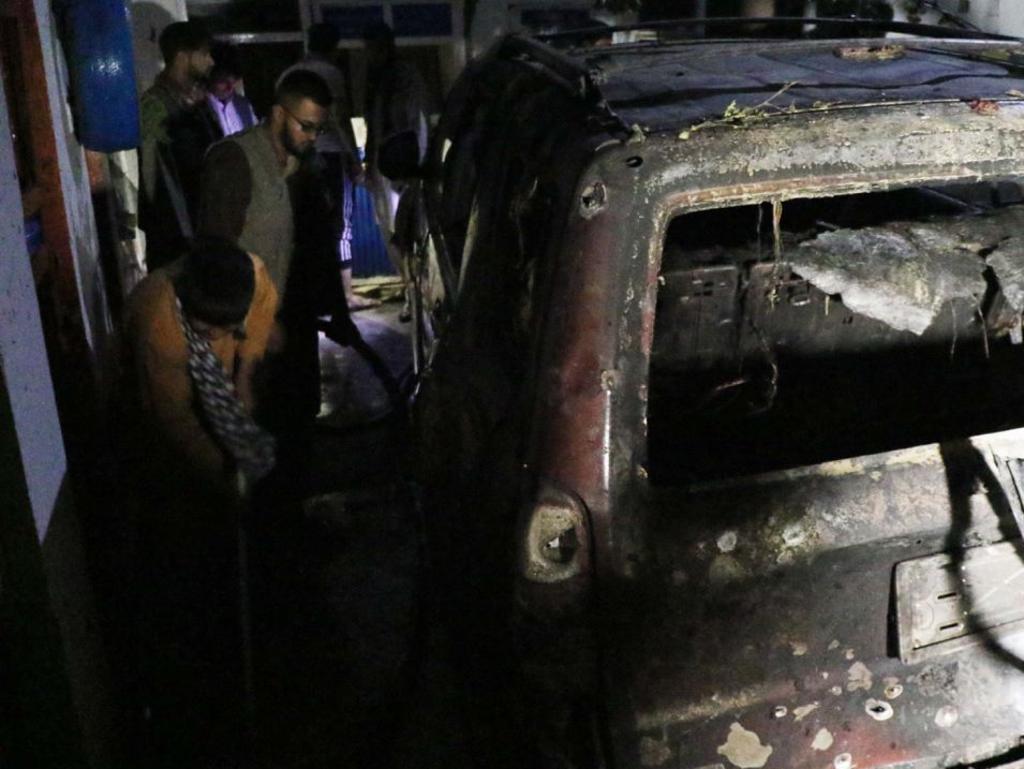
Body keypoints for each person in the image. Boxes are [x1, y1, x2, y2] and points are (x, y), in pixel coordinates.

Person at [124, 238, 278, 766]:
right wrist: (222, 471)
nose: (220, 338)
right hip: (172, 423)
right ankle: (203, 688)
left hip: (218, 395)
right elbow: (174, 421)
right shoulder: (157, 322)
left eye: (226, 330)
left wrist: (244, 389)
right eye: (210, 332)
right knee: (190, 548)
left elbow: (253, 341)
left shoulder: (253, 277)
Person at [198, 70, 356, 457]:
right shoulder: (234, 161)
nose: (313, 137)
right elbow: (215, 258)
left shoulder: (303, 167)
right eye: (306, 127)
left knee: (297, 428)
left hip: (291, 325)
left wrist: (334, 308)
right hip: (246, 333)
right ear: (279, 113)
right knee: (258, 439)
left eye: (319, 129)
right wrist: (254, 324)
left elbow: (317, 244)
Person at [278, 23, 373, 309]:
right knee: (341, 224)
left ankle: (313, 292)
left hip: (296, 156)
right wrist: (356, 160)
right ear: (332, 48)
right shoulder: (331, 74)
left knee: (305, 222)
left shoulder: (289, 73)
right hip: (330, 154)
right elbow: (340, 120)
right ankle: (344, 294)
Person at [362, 21, 429, 319]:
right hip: (388, 165)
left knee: (406, 233)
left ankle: (416, 294)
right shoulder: (381, 78)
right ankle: (410, 290)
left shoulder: (400, 76)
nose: (371, 55)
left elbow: (411, 124)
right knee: (395, 233)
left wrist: (411, 168)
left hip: (402, 166)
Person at [138, 20, 217, 271]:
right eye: (204, 54)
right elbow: (156, 178)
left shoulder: (196, 101)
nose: (211, 61)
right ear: (182, 57)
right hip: (175, 236)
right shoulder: (155, 105)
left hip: (202, 225)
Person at [205, 43, 258, 138]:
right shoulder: (203, 111)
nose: (230, 88)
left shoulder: (244, 105)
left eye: (233, 81)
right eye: (223, 81)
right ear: (210, 78)